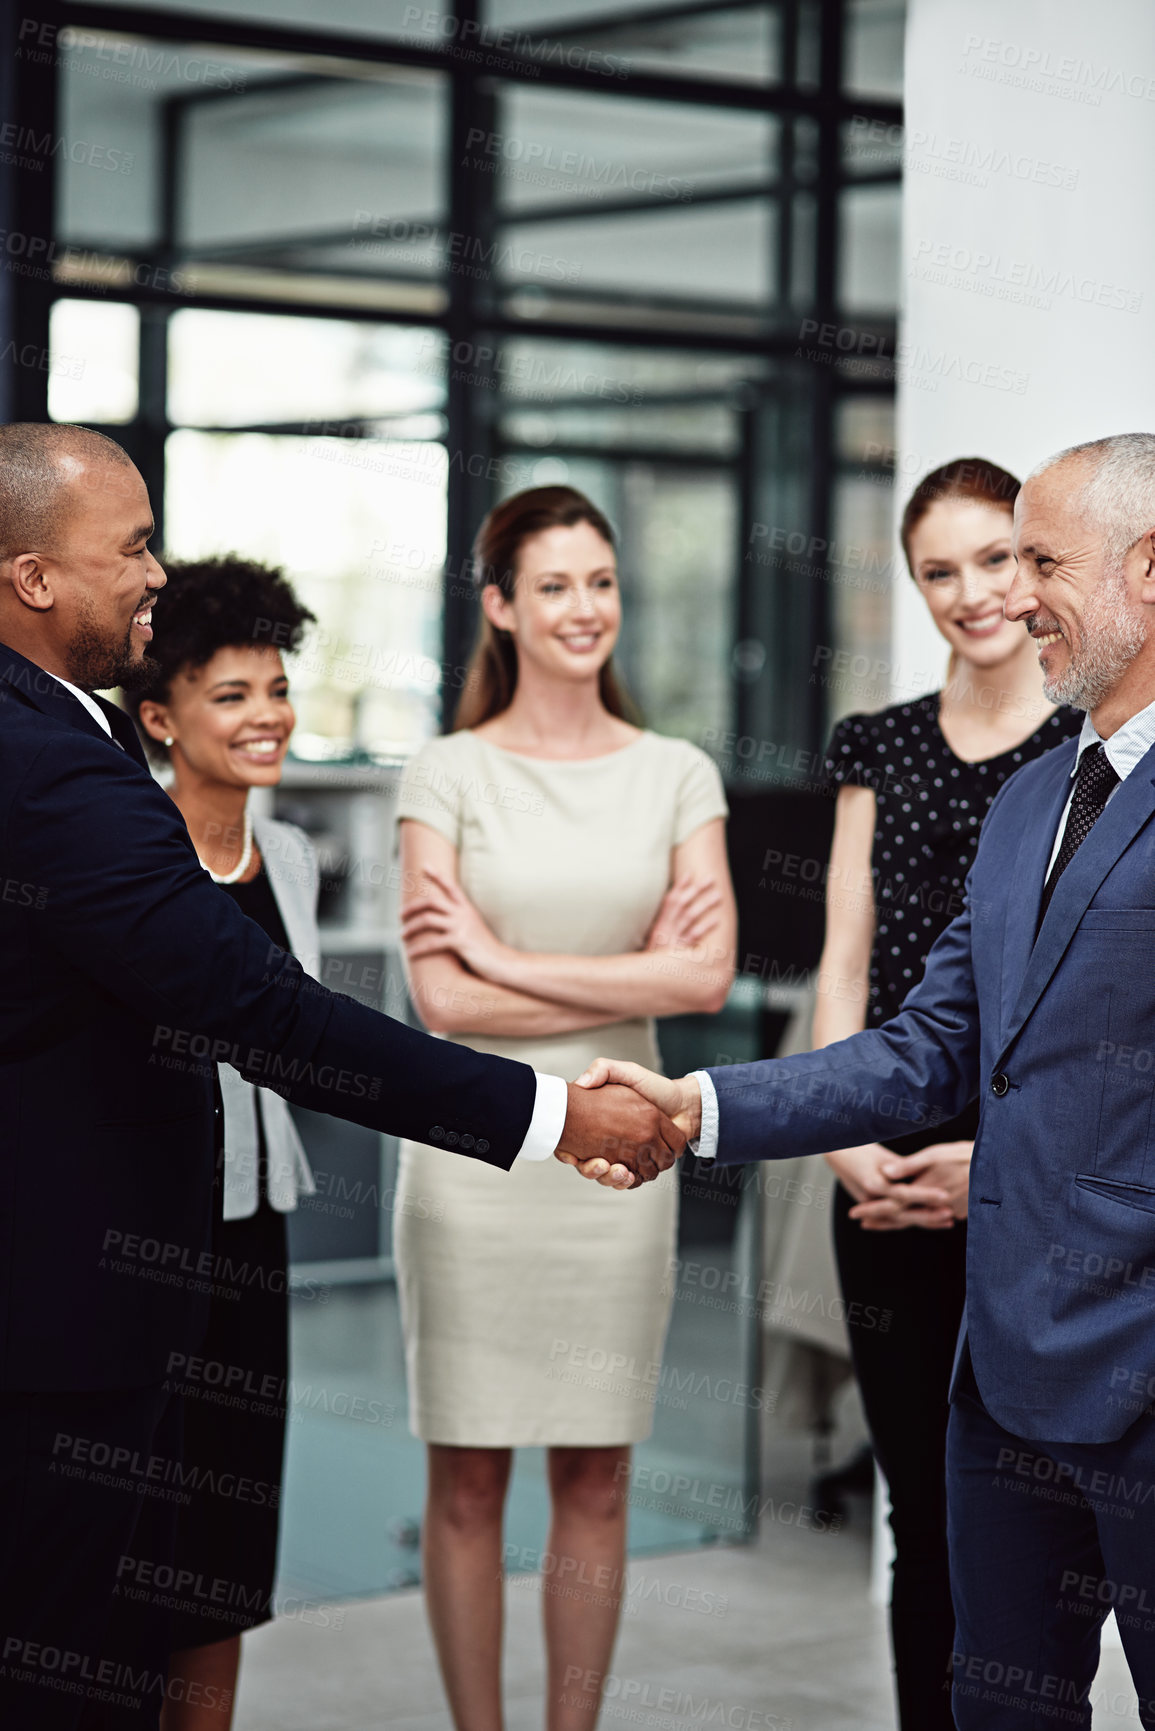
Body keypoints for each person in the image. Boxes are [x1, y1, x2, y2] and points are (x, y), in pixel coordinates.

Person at [0, 426, 678, 1731]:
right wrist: (541, 1109)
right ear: (35, 579)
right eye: (132, 544)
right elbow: (257, 1005)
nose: (157, 571)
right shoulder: (57, 769)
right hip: (60, 1317)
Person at [581, 432, 1155, 1731]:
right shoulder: (1029, 803)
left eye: (1039, 560)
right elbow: (924, 1045)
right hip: (997, 1375)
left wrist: (989, 1169)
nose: (1010, 596)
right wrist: (698, 1106)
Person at [394, 484, 737, 1731]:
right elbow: (441, 1003)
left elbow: (703, 977)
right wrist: (597, 972)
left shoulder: (675, 773)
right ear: (499, 606)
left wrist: (507, 955)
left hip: (622, 1171)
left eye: (601, 581)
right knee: (470, 1482)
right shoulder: (448, 771)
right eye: (553, 585)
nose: (584, 608)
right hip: (478, 1168)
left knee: (599, 1476)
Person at [814, 459, 1080, 1729]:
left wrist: (998, 1162)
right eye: (939, 570)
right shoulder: (881, 744)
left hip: (1033, 1178)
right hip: (881, 1167)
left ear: (1036, 567)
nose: (973, 593)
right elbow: (844, 965)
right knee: (922, 1511)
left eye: (997, 559)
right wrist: (842, 1138)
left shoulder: (1090, 748)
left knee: (1032, 1512)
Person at [122, 557, 320, 1729]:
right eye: (231, 695)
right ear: (160, 717)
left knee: (225, 1562)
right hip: (143, 1235)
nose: (266, 718)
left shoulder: (286, 858)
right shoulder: (130, 859)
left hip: (255, 1236)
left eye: (277, 688)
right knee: (130, 1546)